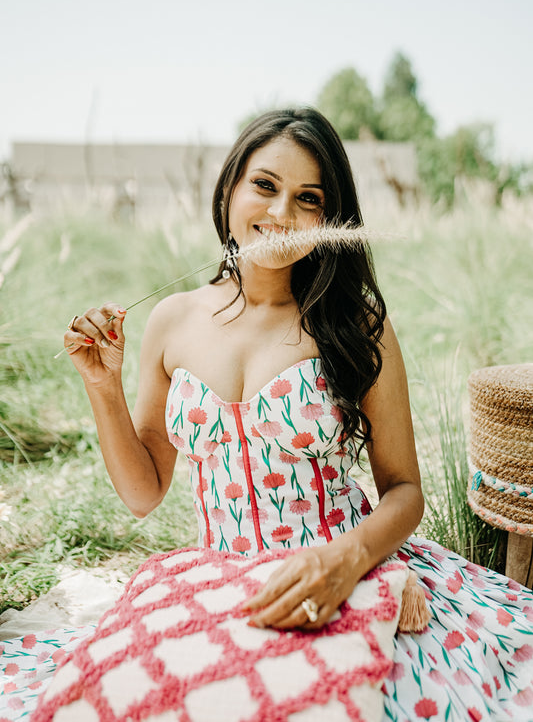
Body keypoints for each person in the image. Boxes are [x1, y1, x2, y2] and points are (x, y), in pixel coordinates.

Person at [2, 108, 532, 721]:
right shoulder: (172, 320)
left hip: (345, 568)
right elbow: (143, 493)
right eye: (265, 185)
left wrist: (347, 560)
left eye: (309, 198)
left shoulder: (357, 325)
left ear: (330, 220)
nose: (282, 214)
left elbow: (405, 490)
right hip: (216, 580)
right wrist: (103, 387)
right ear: (229, 187)